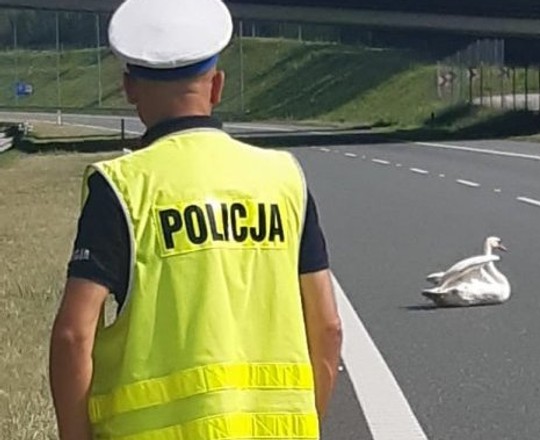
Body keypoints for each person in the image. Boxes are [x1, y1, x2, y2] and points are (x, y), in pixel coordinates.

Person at [48, 0, 342, 438]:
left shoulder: (123, 188)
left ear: (129, 88)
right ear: (217, 85)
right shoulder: (283, 179)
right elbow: (328, 327)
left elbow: (74, 336)